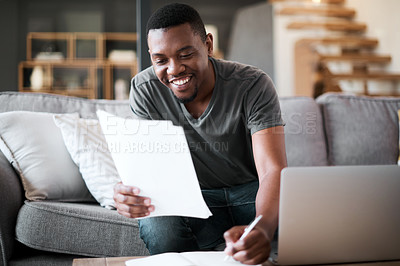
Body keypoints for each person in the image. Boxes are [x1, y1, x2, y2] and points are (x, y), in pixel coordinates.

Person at [113, 3, 287, 265]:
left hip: (252, 195)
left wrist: (262, 228)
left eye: (185, 54)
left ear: (208, 44)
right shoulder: (145, 89)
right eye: (161, 60)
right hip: (194, 202)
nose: (174, 69)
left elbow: (272, 169)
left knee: (301, 222)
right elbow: (150, 171)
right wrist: (124, 192)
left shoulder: (253, 84)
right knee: (156, 225)